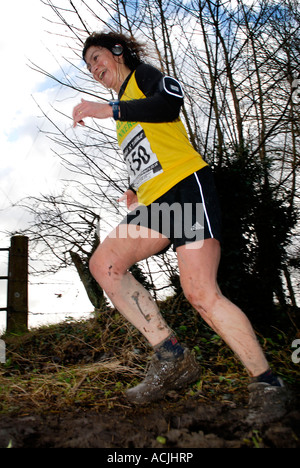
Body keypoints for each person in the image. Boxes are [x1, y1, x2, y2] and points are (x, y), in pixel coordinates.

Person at [72, 31, 288, 421]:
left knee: (202, 295)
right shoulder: (124, 106)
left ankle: (268, 384)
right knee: (105, 265)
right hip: (157, 202)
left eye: (98, 57)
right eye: (88, 64)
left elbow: (169, 106)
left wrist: (109, 110)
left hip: (187, 190)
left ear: (118, 52)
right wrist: (135, 187)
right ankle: (171, 355)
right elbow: (152, 148)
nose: (94, 67)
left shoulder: (143, 77)